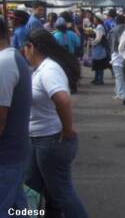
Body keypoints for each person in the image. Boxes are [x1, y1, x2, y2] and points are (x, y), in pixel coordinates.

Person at [23, 28, 88, 218]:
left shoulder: (49, 70)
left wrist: (67, 130)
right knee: (31, 186)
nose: (24, 53)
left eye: (24, 49)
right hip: (37, 139)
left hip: (50, 140)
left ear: (31, 47)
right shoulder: (40, 69)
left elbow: (63, 99)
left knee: (61, 191)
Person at [0, 16, 31, 216]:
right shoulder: (14, 58)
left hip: (6, 156)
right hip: (16, 151)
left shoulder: (3, 63)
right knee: (18, 208)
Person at [108, 14, 125, 105]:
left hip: (116, 56)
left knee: (119, 77)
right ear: (124, 21)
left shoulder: (112, 31)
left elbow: (109, 43)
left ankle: (124, 95)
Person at [90, 13, 110, 85]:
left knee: (99, 64)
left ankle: (99, 79)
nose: (94, 19)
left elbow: (98, 39)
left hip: (99, 48)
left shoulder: (99, 27)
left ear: (98, 19)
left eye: (95, 18)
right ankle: (97, 78)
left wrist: (92, 43)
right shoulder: (100, 26)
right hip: (99, 47)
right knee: (98, 64)